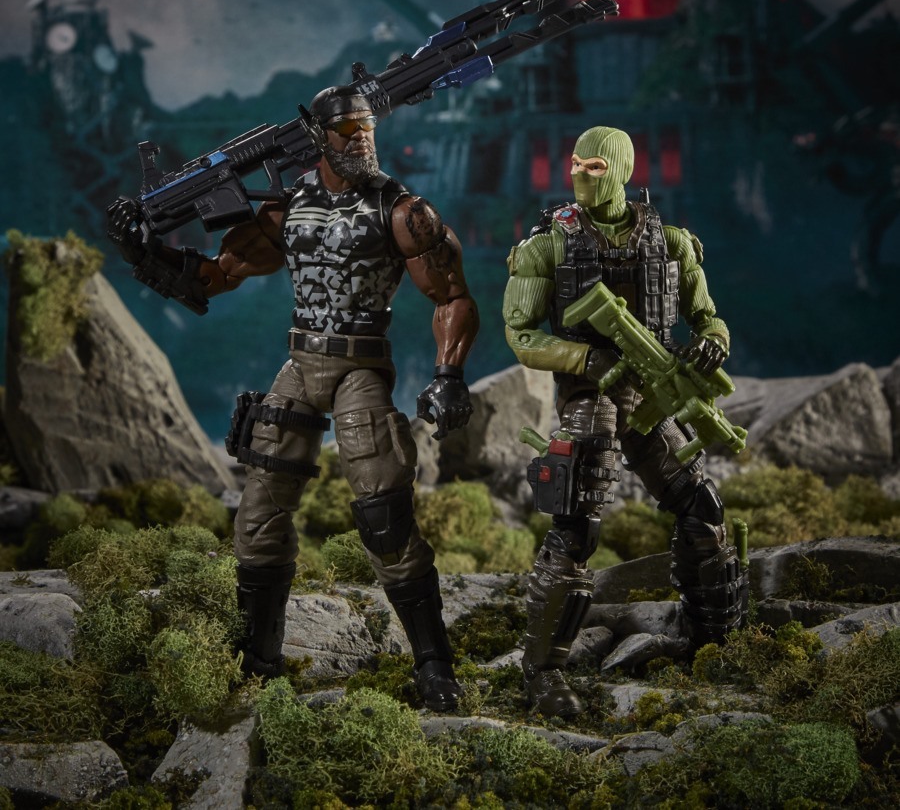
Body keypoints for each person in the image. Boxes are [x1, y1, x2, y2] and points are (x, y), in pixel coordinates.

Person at [109, 85, 479, 711]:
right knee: (256, 518)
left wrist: (448, 374)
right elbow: (218, 275)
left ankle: (434, 663)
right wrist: (145, 252)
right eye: (347, 129)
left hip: (361, 366)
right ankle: (259, 661)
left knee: (385, 516)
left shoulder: (402, 211)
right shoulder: (288, 208)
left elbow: (452, 296)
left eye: (367, 127)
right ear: (319, 136)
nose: (361, 138)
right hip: (301, 364)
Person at [502, 125, 746, 718]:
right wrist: (586, 359)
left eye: (595, 167)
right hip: (592, 394)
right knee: (576, 527)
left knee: (703, 507)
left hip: (653, 391)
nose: (580, 175)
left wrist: (712, 343)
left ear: (622, 170)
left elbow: (708, 317)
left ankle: (715, 644)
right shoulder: (548, 245)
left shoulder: (671, 241)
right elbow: (521, 334)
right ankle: (542, 671)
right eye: (575, 164)